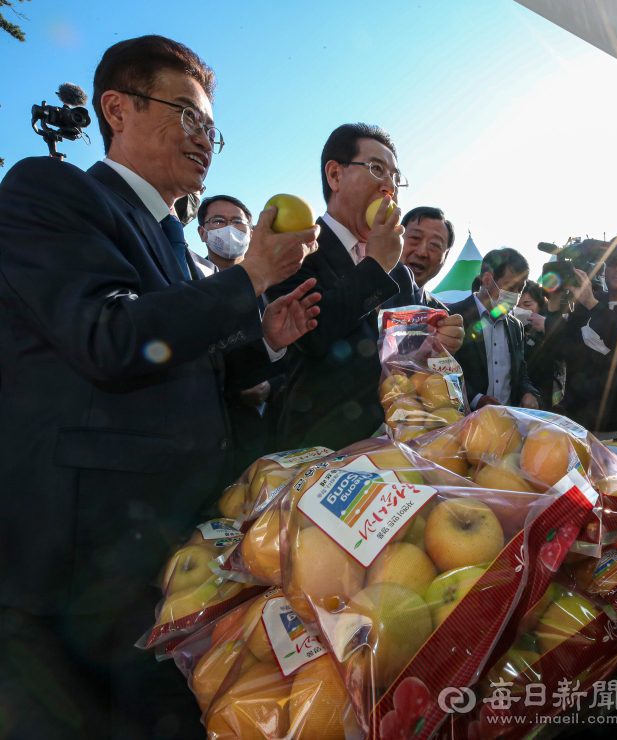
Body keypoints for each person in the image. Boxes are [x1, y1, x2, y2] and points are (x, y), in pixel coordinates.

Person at [0, 35, 322, 740]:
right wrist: (248, 277)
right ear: (117, 109)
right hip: (79, 565)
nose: (205, 138)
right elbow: (109, 337)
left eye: (212, 126)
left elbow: (179, 363)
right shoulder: (51, 190)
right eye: (188, 115)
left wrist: (265, 338)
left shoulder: (171, 240)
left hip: (167, 557)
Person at [267, 123, 464, 451]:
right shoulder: (295, 248)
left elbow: (408, 355)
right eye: (377, 169)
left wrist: (439, 340)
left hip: (399, 449)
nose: (390, 187)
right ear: (335, 176)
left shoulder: (399, 272)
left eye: (395, 177)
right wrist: (375, 267)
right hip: (321, 453)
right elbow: (309, 336)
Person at [197, 194, 286, 474]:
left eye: (238, 222)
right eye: (218, 221)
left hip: (273, 434)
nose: (229, 229)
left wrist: (271, 385)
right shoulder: (187, 284)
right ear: (202, 233)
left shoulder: (275, 289)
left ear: (251, 232)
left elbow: (296, 353)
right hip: (215, 438)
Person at [544, 234, 617, 432]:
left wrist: (592, 304)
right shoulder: (591, 301)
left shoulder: (594, 303)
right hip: (580, 426)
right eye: (613, 259)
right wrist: (553, 303)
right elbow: (559, 350)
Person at [448, 248, 540, 410]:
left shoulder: (515, 326)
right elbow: (443, 371)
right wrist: (475, 399)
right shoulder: (453, 315)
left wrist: (528, 392)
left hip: (506, 419)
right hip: (465, 418)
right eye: (511, 287)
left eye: (520, 289)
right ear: (487, 279)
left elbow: (520, 373)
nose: (515, 295)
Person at [515, 280, 559, 409]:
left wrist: (547, 328)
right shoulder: (511, 329)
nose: (521, 310)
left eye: (527, 304)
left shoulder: (551, 328)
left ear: (540, 305)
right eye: (517, 305)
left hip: (543, 401)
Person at [400, 206, 454, 307]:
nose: (421, 253)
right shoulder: (370, 293)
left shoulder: (442, 314)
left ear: (445, 256)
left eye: (434, 244)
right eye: (415, 238)